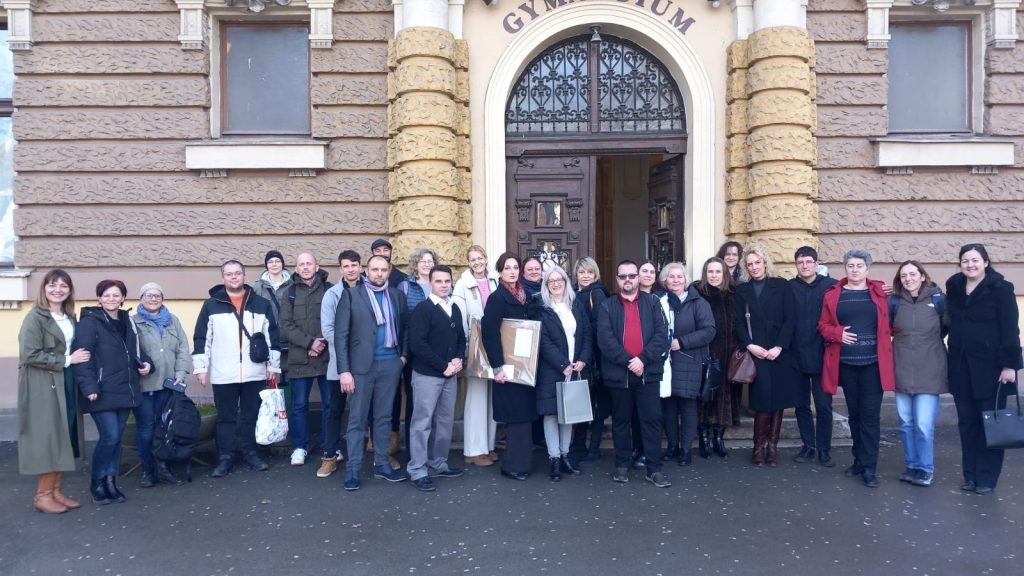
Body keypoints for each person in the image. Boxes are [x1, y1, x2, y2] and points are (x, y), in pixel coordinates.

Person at [945, 243, 1022, 495]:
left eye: (975, 260)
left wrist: (1010, 365)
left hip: (992, 369)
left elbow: (1011, 328)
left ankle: (986, 478)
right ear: (960, 264)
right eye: (965, 260)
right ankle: (970, 476)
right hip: (960, 365)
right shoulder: (954, 286)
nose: (970, 265)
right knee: (967, 423)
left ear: (986, 262)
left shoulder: (1001, 288)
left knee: (990, 422)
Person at [194, 260, 281, 478]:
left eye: (238, 273)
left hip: (255, 372)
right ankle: (225, 457)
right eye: (229, 274)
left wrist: (274, 366)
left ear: (244, 275)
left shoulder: (260, 304)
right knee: (226, 418)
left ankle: (251, 453)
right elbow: (202, 338)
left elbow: (273, 337)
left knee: (251, 416)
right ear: (223, 277)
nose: (234, 277)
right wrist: (201, 368)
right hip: (224, 373)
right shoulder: (211, 305)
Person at [818, 248, 895, 488]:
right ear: (845, 268)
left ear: (867, 269)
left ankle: (869, 467)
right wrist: (838, 333)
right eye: (850, 266)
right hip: (847, 363)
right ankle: (858, 460)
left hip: (874, 364)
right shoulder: (834, 294)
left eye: (859, 266)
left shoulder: (880, 293)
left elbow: (894, 322)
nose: (855, 270)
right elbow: (823, 326)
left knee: (870, 416)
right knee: (855, 414)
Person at [18, 269, 91, 513]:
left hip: (64, 380)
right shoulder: (35, 317)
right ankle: (43, 495)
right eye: (52, 285)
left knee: (64, 434)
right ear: (44, 288)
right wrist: (68, 359)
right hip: (42, 383)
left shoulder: (69, 317)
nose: (57, 289)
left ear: (69, 290)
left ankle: (57, 491)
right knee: (48, 436)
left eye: (63, 285)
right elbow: (29, 354)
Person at [334, 254, 409, 491]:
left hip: (390, 365)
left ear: (389, 271)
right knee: (357, 420)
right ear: (366, 270)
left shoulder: (396, 296)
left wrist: (402, 357)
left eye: (383, 269)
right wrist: (344, 371)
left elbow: (405, 329)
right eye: (375, 269)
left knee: (384, 417)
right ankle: (354, 470)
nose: (379, 273)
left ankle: (382, 464)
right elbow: (341, 335)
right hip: (361, 368)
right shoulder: (351, 295)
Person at [74, 280, 152, 504]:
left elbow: (137, 352)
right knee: (110, 437)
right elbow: (82, 357)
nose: (111, 299)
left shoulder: (127, 321)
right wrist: (89, 387)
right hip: (100, 391)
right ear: (99, 298)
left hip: (124, 389)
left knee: (115, 440)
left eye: (116, 295)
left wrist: (147, 365)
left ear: (123, 298)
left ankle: (111, 482)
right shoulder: (90, 322)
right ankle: (97, 482)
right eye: (106, 295)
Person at [596, 260, 671, 488]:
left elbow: (662, 335)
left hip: (648, 373)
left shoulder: (652, 303)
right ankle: (622, 465)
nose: (627, 280)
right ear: (617, 280)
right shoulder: (607, 306)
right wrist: (630, 361)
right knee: (621, 422)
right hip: (620, 375)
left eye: (631, 276)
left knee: (651, 421)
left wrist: (642, 359)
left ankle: (654, 469)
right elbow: (605, 340)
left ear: (638, 278)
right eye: (623, 276)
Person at [733, 244, 800, 468]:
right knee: (762, 400)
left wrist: (780, 347)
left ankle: (773, 447)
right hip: (757, 351)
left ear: (765, 263)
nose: (754, 267)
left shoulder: (781, 286)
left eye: (757, 262)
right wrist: (750, 345)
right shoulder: (742, 291)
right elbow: (739, 323)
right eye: (749, 264)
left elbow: (791, 319)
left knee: (778, 400)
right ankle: (758, 447)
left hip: (779, 351)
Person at [406, 265, 467, 491]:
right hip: (427, 376)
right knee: (422, 423)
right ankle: (418, 469)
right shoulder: (423, 309)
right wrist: (444, 366)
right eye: (439, 281)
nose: (443, 285)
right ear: (430, 283)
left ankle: (438, 462)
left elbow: (461, 338)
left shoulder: (455, 308)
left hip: (450, 375)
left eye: (447, 281)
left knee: (444, 422)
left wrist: (458, 360)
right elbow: (417, 345)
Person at [890, 260, 948, 487]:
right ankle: (912, 466)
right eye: (904, 276)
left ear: (922, 276)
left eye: (913, 274)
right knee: (905, 423)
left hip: (930, 370)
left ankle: (925, 468)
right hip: (902, 368)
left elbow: (946, 329)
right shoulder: (894, 302)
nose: (908, 279)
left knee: (924, 425)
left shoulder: (938, 300)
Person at [482, 252, 536, 481]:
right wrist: (497, 367)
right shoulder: (497, 297)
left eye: (515, 267)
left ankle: (521, 463)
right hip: (507, 365)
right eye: (507, 268)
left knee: (524, 415)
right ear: (500, 271)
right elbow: (489, 334)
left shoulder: (526, 295)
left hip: (524, 364)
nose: (512, 271)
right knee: (515, 417)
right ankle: (512, 466)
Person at [534, 265, 592, 481]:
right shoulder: (542, 308)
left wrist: (583, 359)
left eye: (560, 280)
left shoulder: (575, 305)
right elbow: (543, 341)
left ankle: (565, 455)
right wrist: (562, 363)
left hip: (575, 368)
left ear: (566, 282)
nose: (556, 283)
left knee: (569, 414)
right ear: (546, 285)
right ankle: (554, 459)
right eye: (551, 281)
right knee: (551, 414)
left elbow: (586, 334)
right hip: (551, 369)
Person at [131, 282, 191, 487]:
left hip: (169, 384)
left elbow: (183, 347)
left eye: (157, 295)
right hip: (146, 386)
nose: (153, 299)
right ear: (141, 298)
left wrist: (181, 373)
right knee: (146, 429)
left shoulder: (172, 320)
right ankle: (148, 470)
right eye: (148, 295)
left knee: (165, 428)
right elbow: (131, 352)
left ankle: (164, 468)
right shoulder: (133, 322)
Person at [277, 253, 332, 468]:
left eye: (309, 263)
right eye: (302, 264)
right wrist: (310, 343)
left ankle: (331, 446)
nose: (306, 267)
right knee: (299, 405)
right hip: (299, 359)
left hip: (327, 358)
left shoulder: (330, 289)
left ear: (317, 266)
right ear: (296, 268)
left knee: (331, 404)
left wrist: (321, 344)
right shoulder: (289, 292)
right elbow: (285, 325)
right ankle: (299, 446)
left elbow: (337, 321)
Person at [658, 262, 715, 465]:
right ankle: (673, 446)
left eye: (679, 277)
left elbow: (709, 331)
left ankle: (685, 450)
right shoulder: (658, 301)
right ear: (665, 281)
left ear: (685, 280)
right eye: (671, 277)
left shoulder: (698, 303)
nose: (675, 280)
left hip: (689, 360)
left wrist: (681, 342)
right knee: (669, 406)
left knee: (688, 406)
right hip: (665, 363)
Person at [789, 246, 838, 467]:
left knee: (824, 406)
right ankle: (808, 445)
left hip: (822, 355)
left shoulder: (831, 286)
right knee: (801, 405)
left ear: (817, 263)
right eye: (800, 262)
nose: (805, 265)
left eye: (809, 261)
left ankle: (824, 449)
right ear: (796, 265)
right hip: (796, 355)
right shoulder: (789, 288)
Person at [452, 245, 500, 467]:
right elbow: (460, 319)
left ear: (486, 259)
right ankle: (473, 449)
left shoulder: (494, 281)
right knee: (477, 397)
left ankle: (487, 446)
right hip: (475, 345)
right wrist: (463, 351)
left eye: (480, 258)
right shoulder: (462, 285)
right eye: (473, 259)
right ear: (468, 262)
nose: (477, 262)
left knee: (491, 398)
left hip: (494, 344)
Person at [316, 249, 361, 478]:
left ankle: (371, 456)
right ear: (340, 269)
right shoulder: (332, 295)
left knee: (366, 411)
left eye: (354, 265)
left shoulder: (369, 290)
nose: (351, 269)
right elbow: (328, 330)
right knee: (334, 411)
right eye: (346, 266)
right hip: (339, 364)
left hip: (365, 364)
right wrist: (352, 345)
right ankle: (329, 457)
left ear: (360, 266)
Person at [393, 247, 438, 467]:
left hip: (437, 352)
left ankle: (432, 451)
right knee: (415, 402)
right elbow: (401, 322)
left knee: (434, 404)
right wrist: (403, 351)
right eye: (423, 261)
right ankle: (414, 451)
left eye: (430, 261)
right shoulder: (405, 287)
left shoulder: (441, 284)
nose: (427, 264)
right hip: (412, 352)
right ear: (416, 264)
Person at [695, 257, 735, 457]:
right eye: (710, 271)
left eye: (718, 272)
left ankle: (719, 436)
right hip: (705, 353)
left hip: (728, 354)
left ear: (724, 274)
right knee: (705, 395)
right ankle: (703, 436)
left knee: (723, 395)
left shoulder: (733, 294)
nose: (714, 275)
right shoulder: (698, 293)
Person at [572, 257, 611, 464]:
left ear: (595, 275)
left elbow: (599, 329)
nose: (585, 276)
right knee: (583, 402)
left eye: (589, 273)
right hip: (584, 358)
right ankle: (579, 445)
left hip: (596, 359)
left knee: (596, 405)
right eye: (582, 272)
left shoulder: (597, 294)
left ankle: (592, 448)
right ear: (576, 274)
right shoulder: (575, 294)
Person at [717, 241, 745, 422]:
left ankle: (734, 413)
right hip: (719, 334)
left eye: (735, 254)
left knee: (736, 374)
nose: (731, 257)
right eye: (728, 254)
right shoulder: (715, 273)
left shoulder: (744, 278)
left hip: (738, 333)